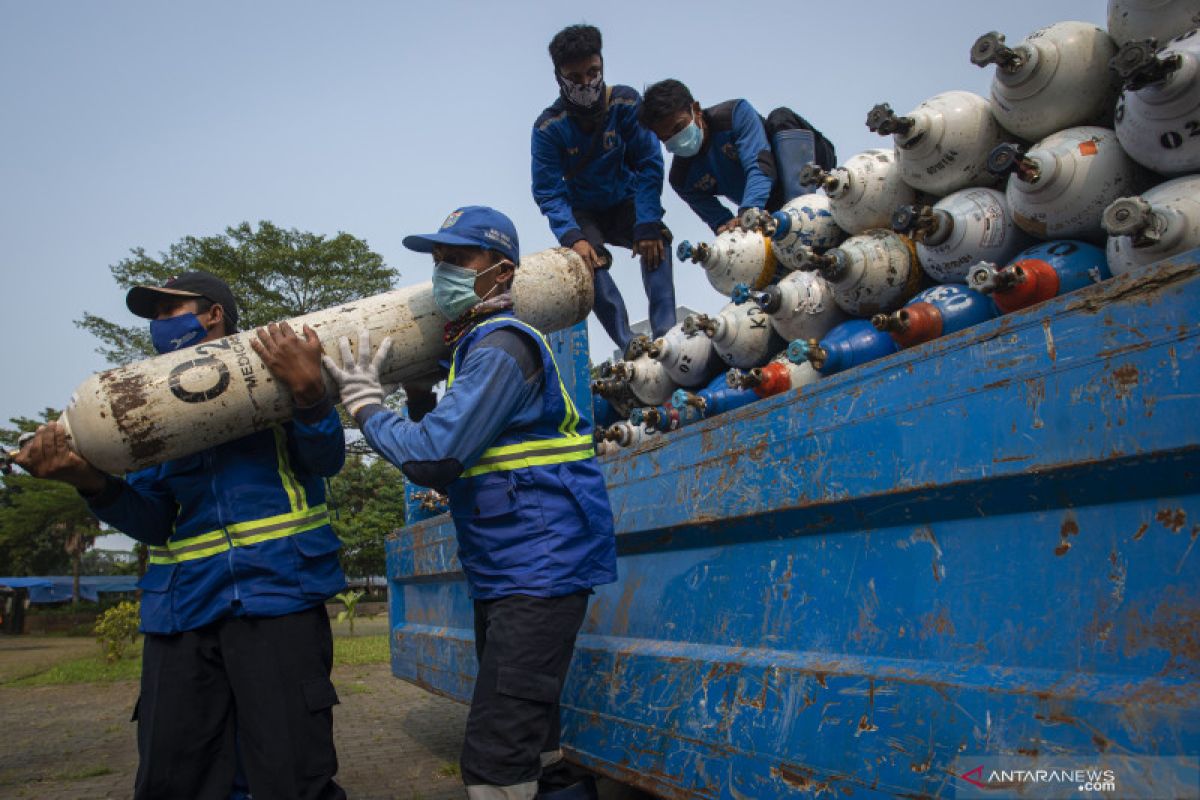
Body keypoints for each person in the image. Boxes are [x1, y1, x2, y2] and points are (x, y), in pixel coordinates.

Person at [14, 271, 348, 800]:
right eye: (155, 316)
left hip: (279, 595)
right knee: (176, 778)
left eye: (170, 311)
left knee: (293, 775)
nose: (159, 324)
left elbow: (325, 461)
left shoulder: (272, 369)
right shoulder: (143, 403)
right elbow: (151, 520)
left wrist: (309, 397)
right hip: (184, 610)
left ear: (213, 313)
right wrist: (87, 480)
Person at [321, 206, 617, 800]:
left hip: (538, 570)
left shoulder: (502, 346)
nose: (442, 274)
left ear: (501, 272)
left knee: (495, 755)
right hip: (515, 570)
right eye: (437, 262)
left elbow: (436, 458)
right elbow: (474, 448)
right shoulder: (475, 352)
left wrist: (366, 405)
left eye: (458, 260)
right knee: (531, 739)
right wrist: (421, 396)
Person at [531, 23, 675, 354]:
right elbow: (549, 192)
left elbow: (650, 162)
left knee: (658, 241)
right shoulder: (547, 128)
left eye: (593, 72)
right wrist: (574, 238)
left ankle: (667, 333)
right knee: (585, 266)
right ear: (559, 78)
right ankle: (629, 344)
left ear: (602, 66)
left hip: (627, 199)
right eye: (576, 77)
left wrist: (648, 221)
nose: (586, 83)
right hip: (584, 212)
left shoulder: (625, 102)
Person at [639, 78, 838, 234]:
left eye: (679, 128)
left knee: (781, 117)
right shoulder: (682, 179)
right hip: (768, 207)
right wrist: (732, 229)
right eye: (666, 138)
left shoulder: (734, 115)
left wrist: (747, 211)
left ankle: (801, 211)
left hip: (806, 166)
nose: (676, 139)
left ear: (696, 110)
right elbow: (720, 222)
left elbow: (760, 167)